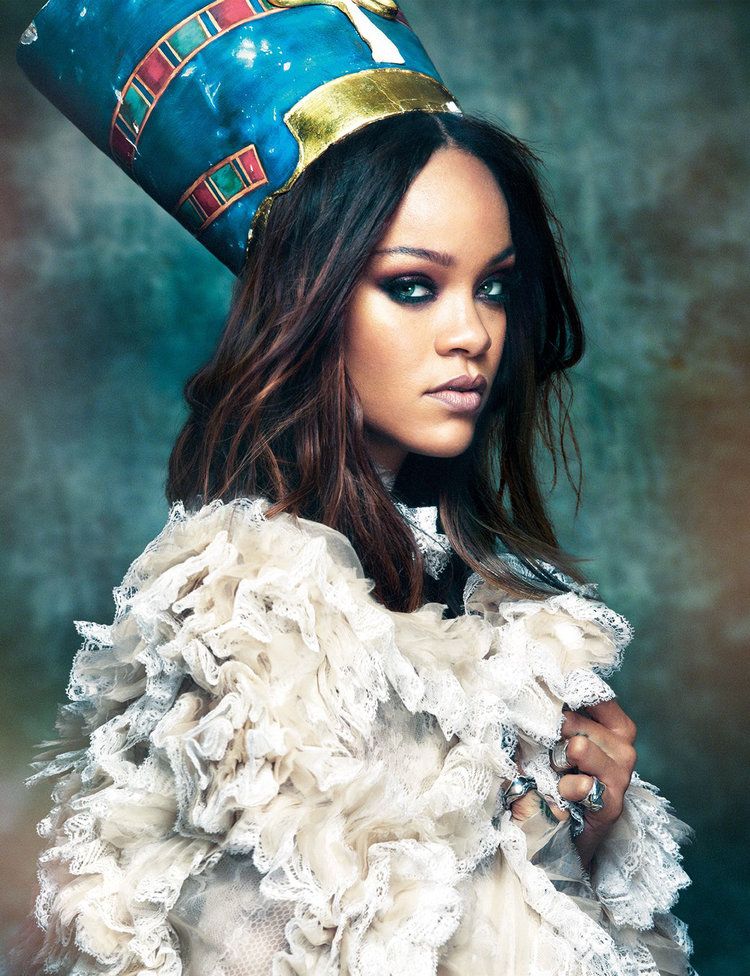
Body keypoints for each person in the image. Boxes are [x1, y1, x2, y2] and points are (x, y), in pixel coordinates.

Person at [17, 1, 695, 974]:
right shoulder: (242, 613)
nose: (472, 333)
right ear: (313, 299)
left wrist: (576, 832)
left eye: (494, 286)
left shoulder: (513, 613)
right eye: (413, 285)